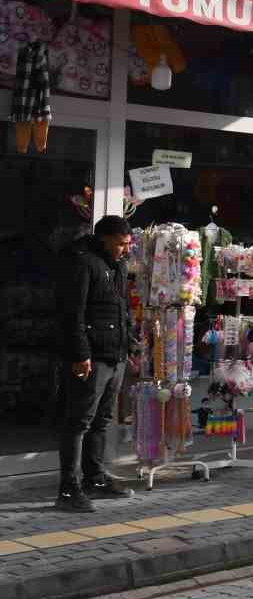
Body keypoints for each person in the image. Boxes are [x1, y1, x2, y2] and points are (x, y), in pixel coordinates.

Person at [56, 215, 137, 512]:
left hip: (114, 354)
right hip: (91, 357)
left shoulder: (117, 264)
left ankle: (95, 479)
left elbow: (121, 308)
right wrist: (80, 354)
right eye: (120, 244)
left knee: (101, 420)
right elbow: (72, 314)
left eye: (127, 244)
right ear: (104, 238)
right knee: (79, 421)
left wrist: (130, 345)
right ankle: (68, 488)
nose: (125, 249)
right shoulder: (83, 262)